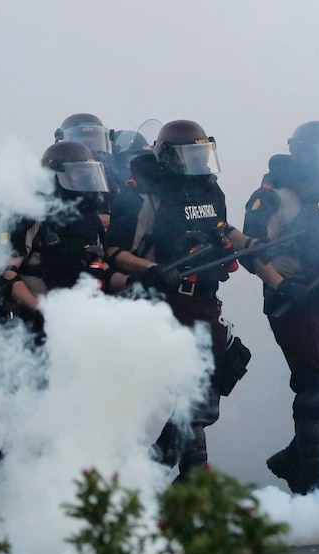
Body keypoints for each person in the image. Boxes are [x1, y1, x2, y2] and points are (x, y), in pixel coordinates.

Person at [104, 119, 252, 482]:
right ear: (168, 157)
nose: (197, 164)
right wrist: (151, 269)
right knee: (189, 399)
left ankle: (158, 482)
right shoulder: (141, 195)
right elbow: (115, 252)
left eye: (201, 155)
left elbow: (222, 229)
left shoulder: (209, 191)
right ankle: (180, 487)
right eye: (189, 157)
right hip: (162, 304)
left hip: (203, 302)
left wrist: (252, 244)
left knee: (202, 401)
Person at [242, 121, 319, 495]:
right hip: (293, 299)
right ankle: (310, 485)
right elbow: (251, 252)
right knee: (316, 392)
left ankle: (291, 460)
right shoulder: (275, 196)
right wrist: (283, 286)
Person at [3, 140, 125, 343]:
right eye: (79, 173)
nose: (86, 179)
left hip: (83, 323)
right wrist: (41, 309)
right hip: (37, 328)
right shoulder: (32, 216)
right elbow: (8, 275)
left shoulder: (91, 220)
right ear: (54, 177)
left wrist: (133, 280)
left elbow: (101, 267)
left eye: (88, 172)